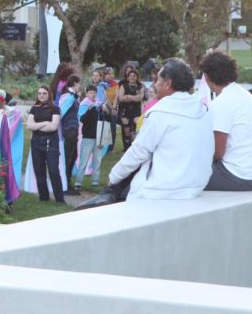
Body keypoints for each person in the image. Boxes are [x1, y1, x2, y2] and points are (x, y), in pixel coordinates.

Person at [79, 58, 213, 205]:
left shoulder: (161, 113)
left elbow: (138, 152)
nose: (154, 84)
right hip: (195, 186)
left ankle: (108, 194)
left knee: (121, 184)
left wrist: (113, 178)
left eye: (158, 80)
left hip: (163, 190)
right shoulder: (203, 110)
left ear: (168, 83)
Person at [201, 51, 252, 191]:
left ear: (207, 77)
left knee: (184, 174)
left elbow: (217, 152)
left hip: (238, 176)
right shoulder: (242, 94)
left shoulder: (222, 103)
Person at [26, 84, 65, 204]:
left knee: (53, 170)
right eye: (39, 93)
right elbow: (28, 126)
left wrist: (37, 126)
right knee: (39, 170)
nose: (41, 96)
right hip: (36, 142)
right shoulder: (34, 108)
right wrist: (45, 123)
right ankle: (44, 198)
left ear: (49, 95)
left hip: (51, 142)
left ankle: (60, 199)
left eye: (44, 93)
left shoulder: (55, 109)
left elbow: (53, 127)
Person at [73, 83, 104, 194]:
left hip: (99, 136)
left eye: (94, 93)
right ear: (86, 94)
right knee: (83, 161)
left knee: (97, 160)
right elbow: (81, 119)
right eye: (90, 93)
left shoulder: (100, 105)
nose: (92, 95)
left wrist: (105, 109)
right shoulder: (84, 104)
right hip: (87, 137)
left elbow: (106, 118)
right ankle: (78, 182)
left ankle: (95, 181)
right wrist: (90, 110)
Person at [116, 66, 145, 151]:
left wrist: (128, 96)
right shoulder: (123, 86)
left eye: (134, 76)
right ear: (128, 77)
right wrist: (134, 97)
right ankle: (127, 147)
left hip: (136, 110)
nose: (132, 77)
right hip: (125, 110)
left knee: (137, 125)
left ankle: (136, 145)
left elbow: (140, 98)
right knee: (126, 127)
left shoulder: (140, 86)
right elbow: (121, 98)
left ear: (137, 77)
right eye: (130, 76)